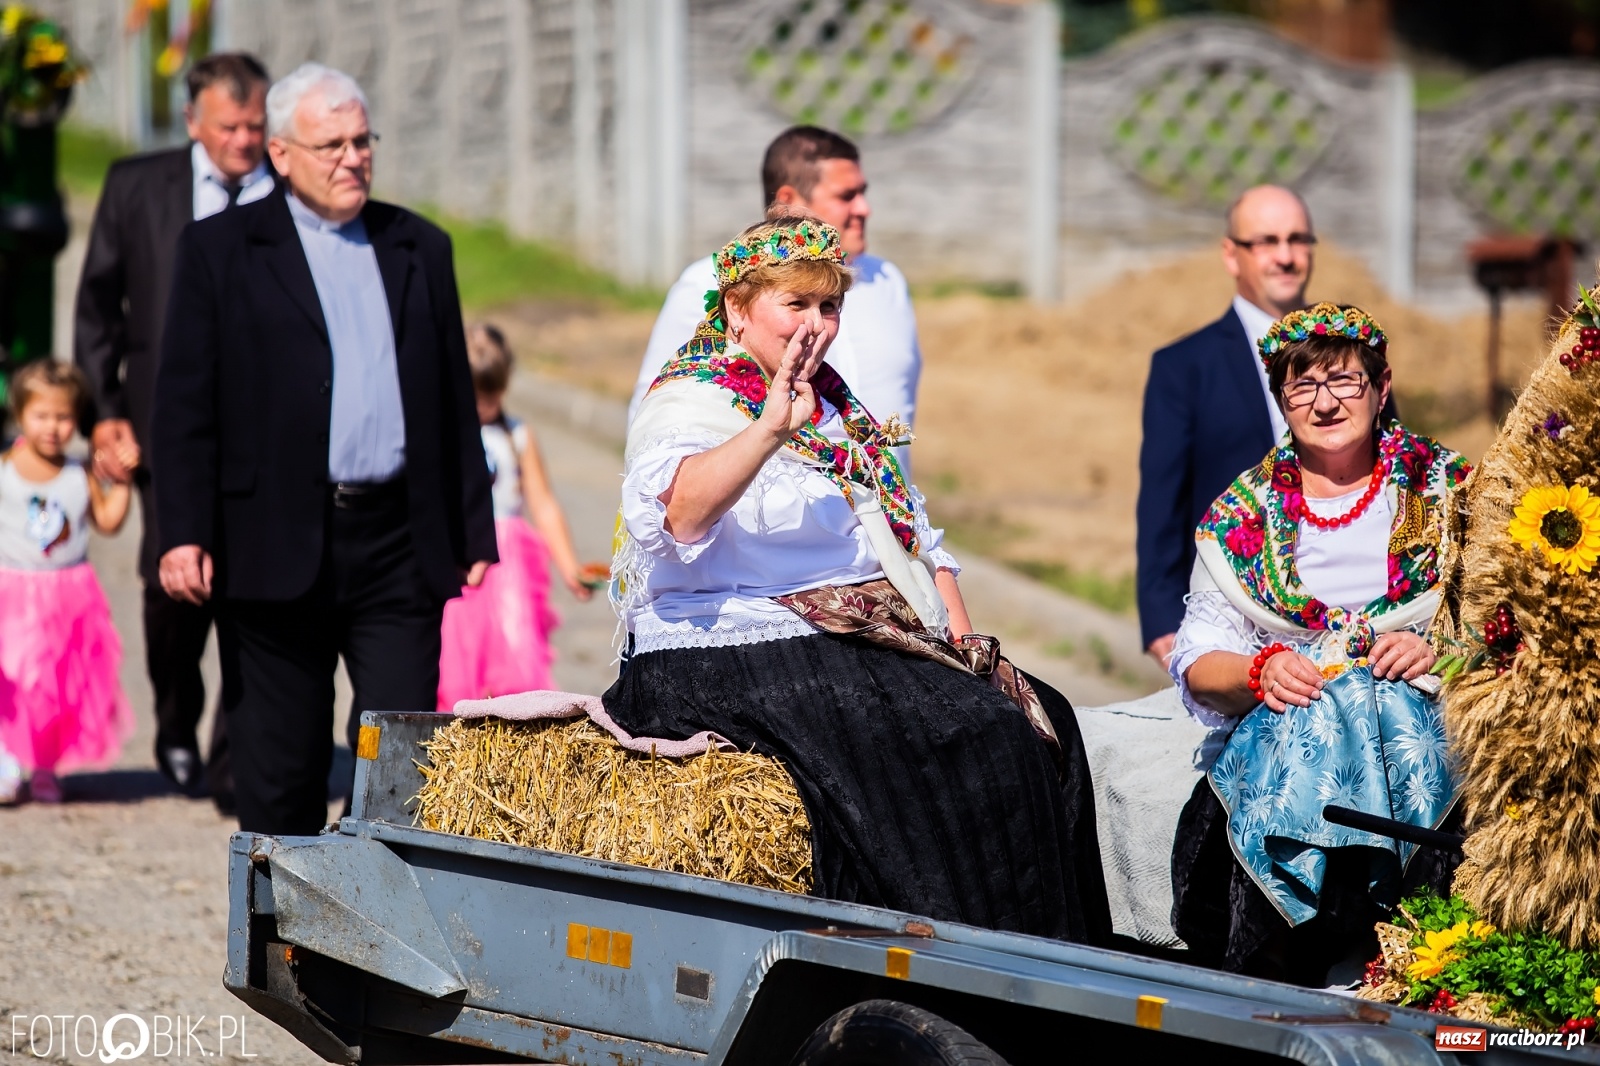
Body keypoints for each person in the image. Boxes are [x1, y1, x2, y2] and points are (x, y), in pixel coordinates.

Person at [605, 215, 1111, 942]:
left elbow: (912, 538)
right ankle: (966, 955)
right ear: (737, 308)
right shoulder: (692, 397)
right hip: (729, 642)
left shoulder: (837, 405)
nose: (816, 324)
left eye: (830, 305)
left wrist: (961, 644)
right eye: (795, 304)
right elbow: (679, 516)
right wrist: (768, 430)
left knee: (1041, 714)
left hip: (841, 628)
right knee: (971, 734)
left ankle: (1058, 954)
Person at [152, 62, 496, 835]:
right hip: (271, 540)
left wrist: (472, 525)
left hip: (396, 543)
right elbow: (183, 404)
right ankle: (284, 914)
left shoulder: (419, 246)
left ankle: (376, 905)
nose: (353, 158)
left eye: (362, 141)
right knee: (280, 767)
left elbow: (451, 396)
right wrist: (182, 532)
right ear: (280, 153)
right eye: (331, 144)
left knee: (400, 759)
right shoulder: (220, 250)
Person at [1167, 303, 1469, 984]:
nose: (1325, 403)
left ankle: (1383, 934)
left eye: (1344, 381)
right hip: (1288, 732)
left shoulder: (1450, 493)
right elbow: (1199, 664)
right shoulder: (1241, 516)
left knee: (1368, 697)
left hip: (1421, 720)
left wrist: (1440, 653)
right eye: (1302, 386)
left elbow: (1506, 626)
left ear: (1382, 386)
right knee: (1332, 703)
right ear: (1282, 400)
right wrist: (1263, 670)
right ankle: (1300, 937)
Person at [74, 51, 273, 804]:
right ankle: (175, 720)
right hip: (164, 425)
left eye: (255, 126)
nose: (244, 141)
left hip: (264, 434)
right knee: (173, 591)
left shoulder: (290, 188)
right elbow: (98, 309)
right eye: (229, 127)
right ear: (193, 121)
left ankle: (233, 754)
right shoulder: (137, 186)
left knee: (253, 591)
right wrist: (105, 415)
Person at [627, 126, 921, 470]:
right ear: (789, 200)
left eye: (830, 305)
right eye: (846, 195)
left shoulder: (888, 281)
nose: (864, 208)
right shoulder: (711, 281)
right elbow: (658, 418)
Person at [1137, 185, 1319, 668]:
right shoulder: (1183, 366)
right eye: (1266, 241)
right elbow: (1162, 500)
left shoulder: (1354, 355)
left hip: (1338, 606)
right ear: (1231, 254)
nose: (1285, 256)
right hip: (1231, 615)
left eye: (1297, 239)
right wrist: (1161, 623)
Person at [0, 361, 137, 804]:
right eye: (41, 415)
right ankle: (6, 760)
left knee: (52, 689)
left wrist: (122, 483)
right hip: (12, 593)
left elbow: (108, 521)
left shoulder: (80, 473)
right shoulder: (5, 468)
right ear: (20, 414)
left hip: (67, 598)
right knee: (14, 679)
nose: (52, 427)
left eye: (63, 417)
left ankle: (44, 766)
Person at [437, 324, 592, 709]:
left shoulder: (518, 436)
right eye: (474, 396)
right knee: (456, 660)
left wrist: (569, 566)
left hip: (507, 573)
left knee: (513, 658)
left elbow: (543, 504)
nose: (481, 406)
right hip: (462, 567)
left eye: (490, 397)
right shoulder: (444, 434)